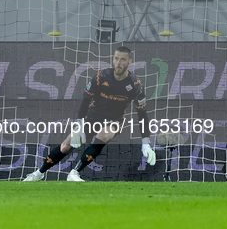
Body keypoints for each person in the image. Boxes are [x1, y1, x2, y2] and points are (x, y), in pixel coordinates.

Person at [23, 46, 156, 182]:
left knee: (104, 135)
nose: (118, 63)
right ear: (113, 59)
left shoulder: (135, 84)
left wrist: (145, 143)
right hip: (92, 118)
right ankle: (39, 173)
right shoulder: (101, 76)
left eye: (123, 60)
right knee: (66, 147)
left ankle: (74, 173)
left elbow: (142, 114)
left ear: (130, 62)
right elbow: (85, 100)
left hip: (114, 120)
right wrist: (80, 125)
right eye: (116, 59)